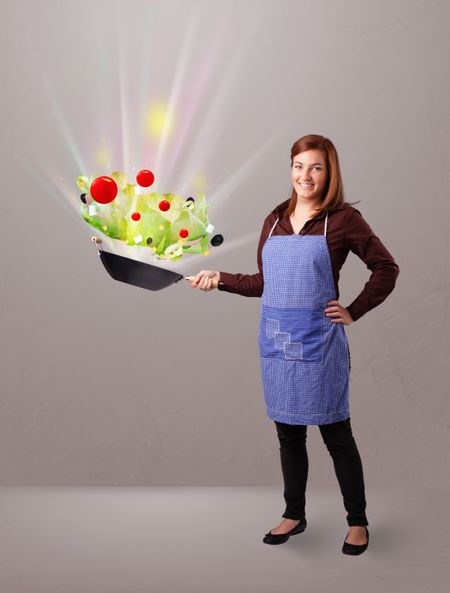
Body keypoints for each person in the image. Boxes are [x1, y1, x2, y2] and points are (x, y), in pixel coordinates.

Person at [188, 134, 399, 555]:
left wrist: (354, 310)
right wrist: (221, 279)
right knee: (288, 434)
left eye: (316, 167)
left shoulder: (342, 220)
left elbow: (385, 268)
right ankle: (294, 513)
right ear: (290, 169)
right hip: (279, 344)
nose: (306, 175)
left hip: (319, 345)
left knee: (337, 434)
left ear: (329, 172)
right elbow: (263, 283)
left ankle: (357, 522)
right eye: (299, 166)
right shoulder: (274, 219)